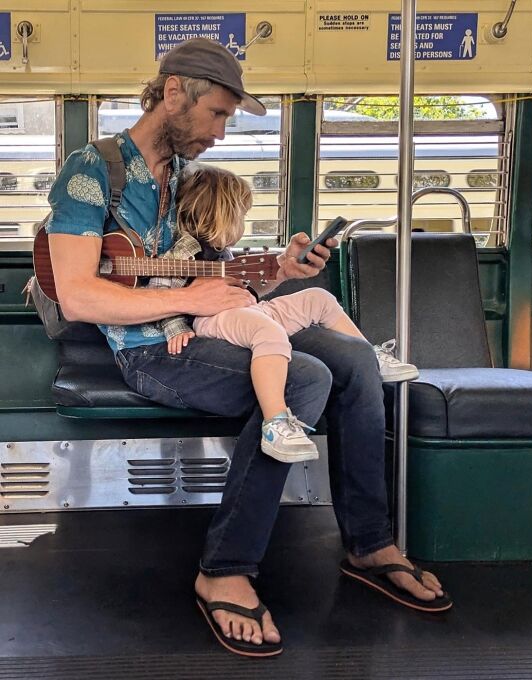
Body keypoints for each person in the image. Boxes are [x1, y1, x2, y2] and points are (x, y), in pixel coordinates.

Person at [46, 37, 451, 658]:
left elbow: (210, 273)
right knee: (304, 378)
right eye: (218, 114)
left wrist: (281, 272)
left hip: (207, 326)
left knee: (354, 359)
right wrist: (189, 302)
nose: (222, 132)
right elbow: (77, 296)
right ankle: (224, 567)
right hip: (151, 350)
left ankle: (370, 542)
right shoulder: (91, 171)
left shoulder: (182, 178)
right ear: (175, 92)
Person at [151, 163, 420, 464]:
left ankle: (370, 356)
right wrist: (175, 325)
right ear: (222, 213)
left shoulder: (224, 252)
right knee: (270, 332)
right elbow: (162, 288)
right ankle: (276, 421)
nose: (242, 224)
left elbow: (247, 290)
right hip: (212, 319)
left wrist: (275, 272)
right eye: (241, 216)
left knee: (318, 298)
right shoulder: (185, 249)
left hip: (244, 309)